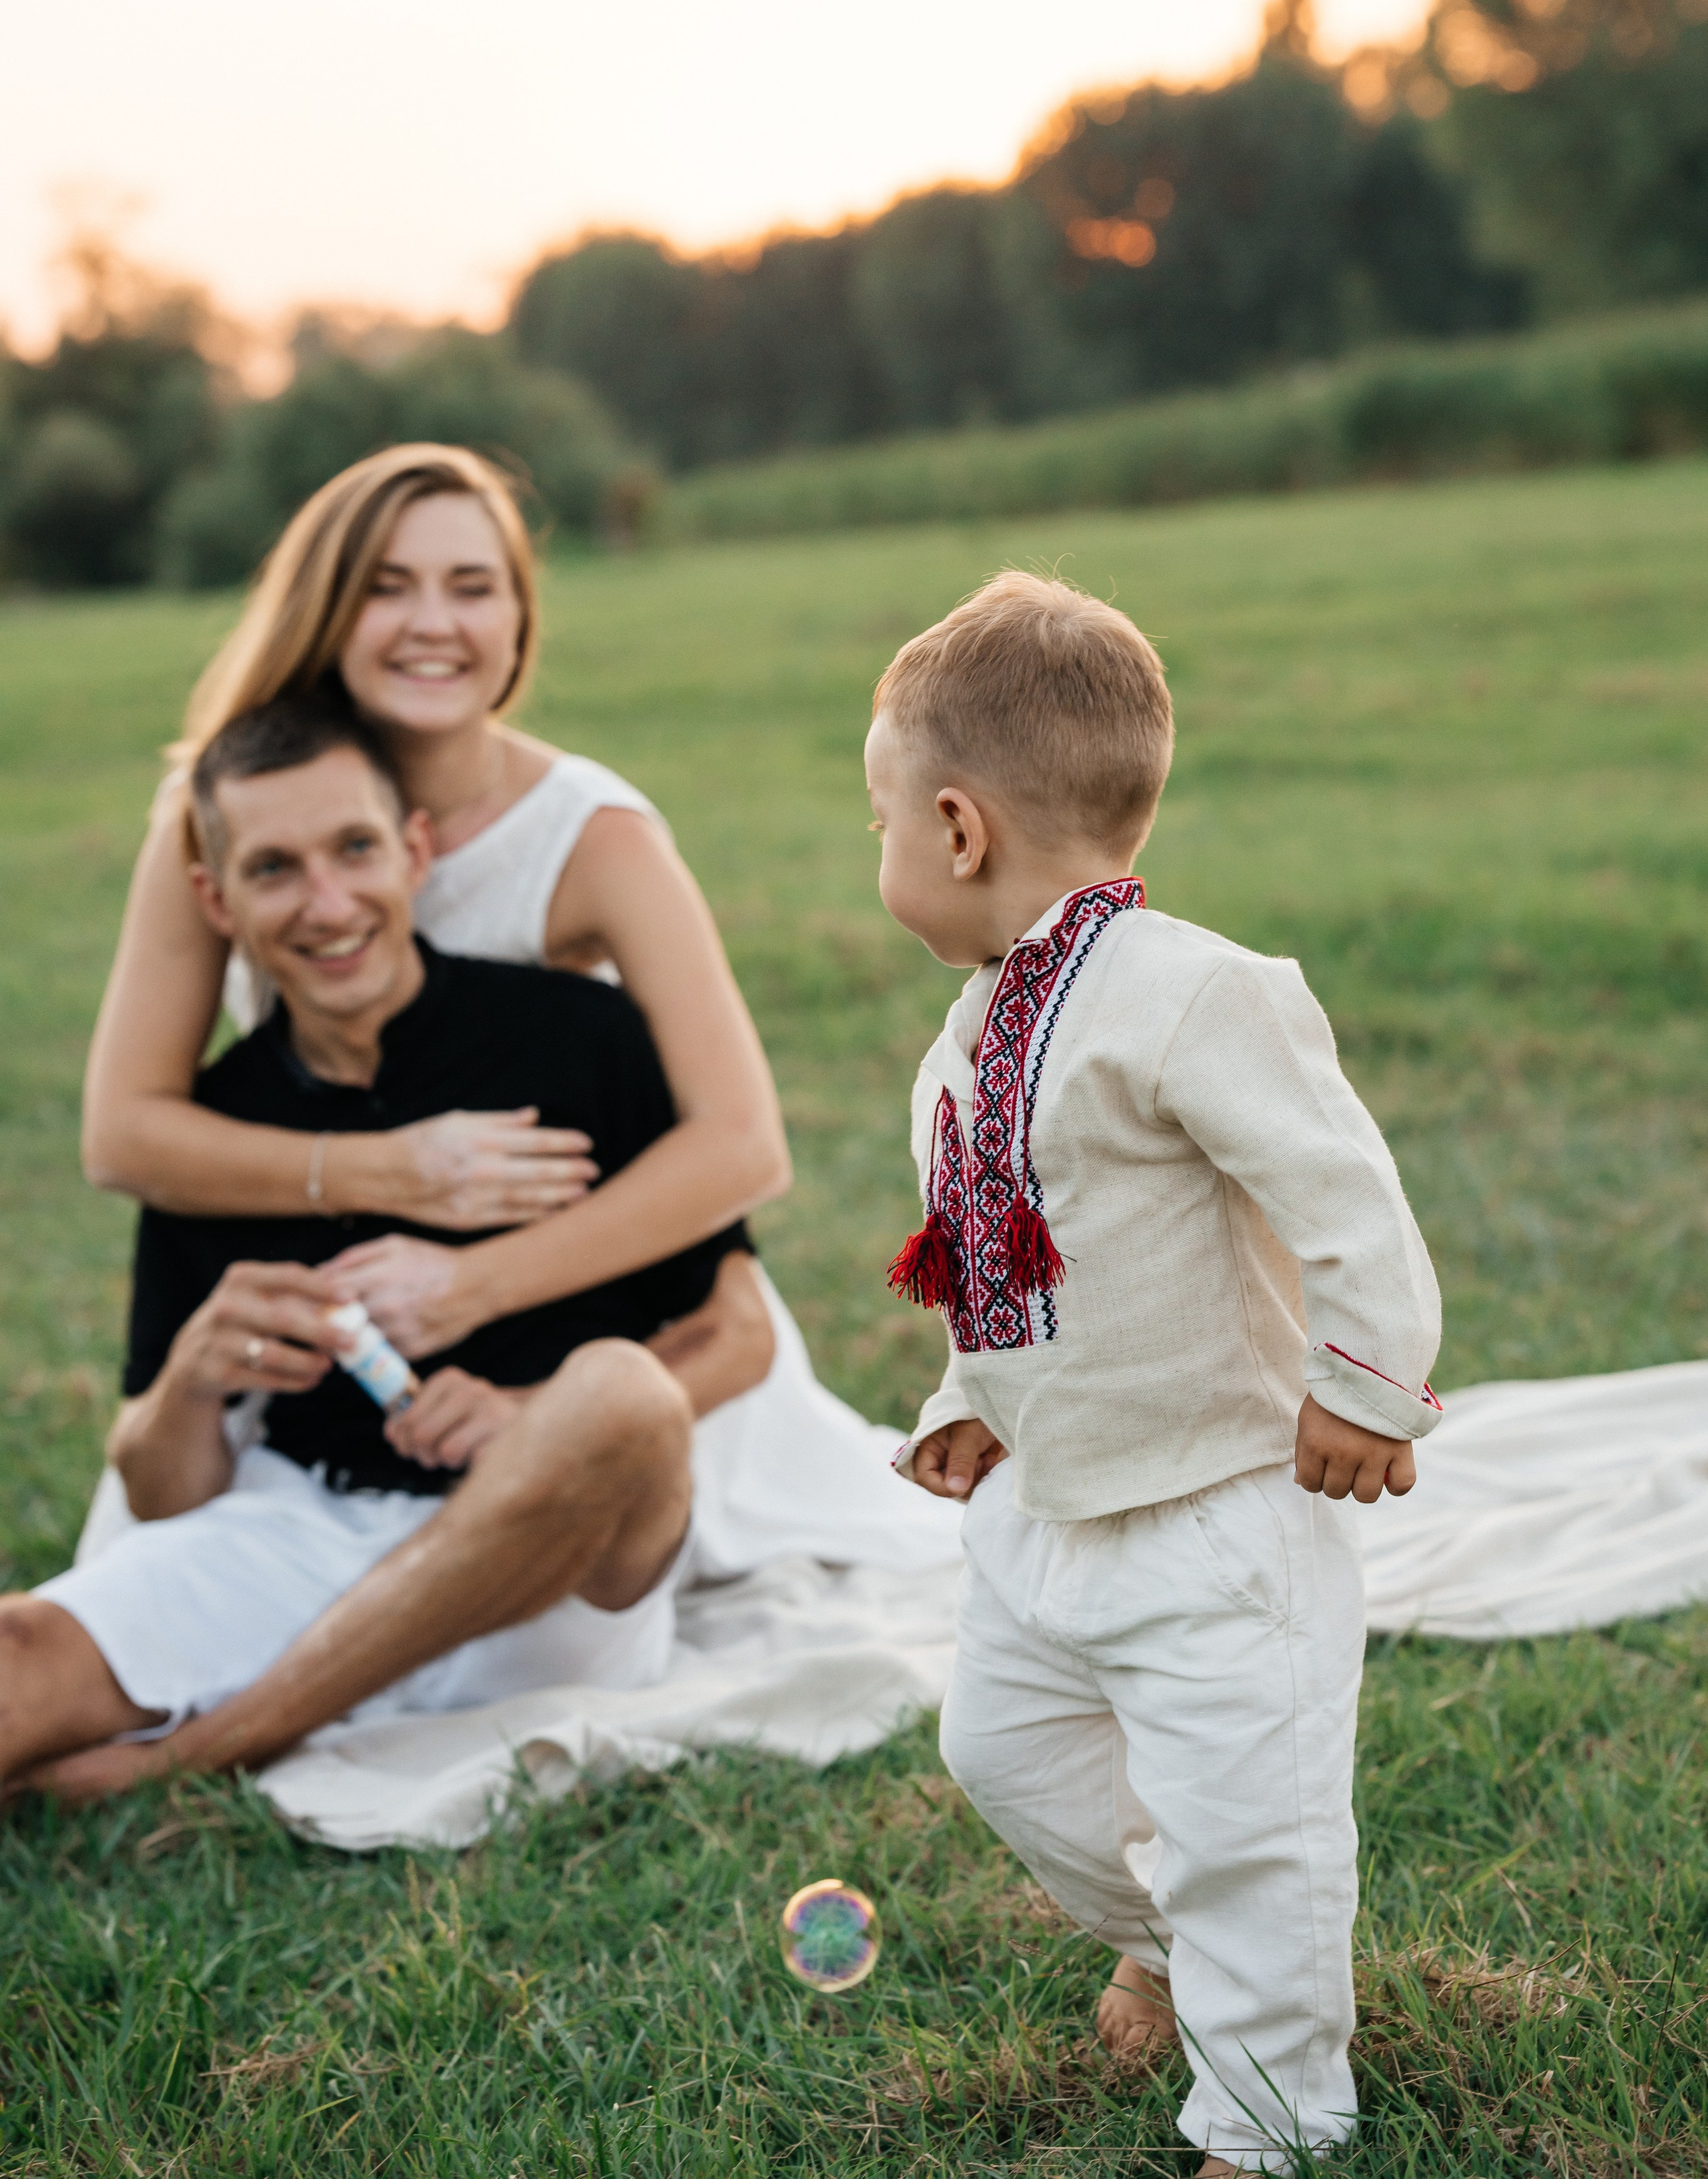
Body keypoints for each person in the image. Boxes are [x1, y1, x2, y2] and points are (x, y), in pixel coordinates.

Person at [77, 440, 951, 1584]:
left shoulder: (595, 836)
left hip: (588, 1327)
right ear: (324, 609)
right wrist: (392, 1172)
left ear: (518, 624)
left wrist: (468, 1286)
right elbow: (124, 1134)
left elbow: (741, 1147)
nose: (430, 620)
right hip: (342, 1354)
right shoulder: (218, 816)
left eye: (471, 586)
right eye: (386, 586)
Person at [867, 574, 1442, 2178]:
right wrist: (965, 1405)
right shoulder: (973, 1032)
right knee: (1001, 1752)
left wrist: (1364, 1384)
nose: (884, 858)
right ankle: (1171, 1938)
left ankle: (1266, 2122)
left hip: (1215, 1512)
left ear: (959, 826)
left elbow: (1346, 1196)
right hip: (1051, 1517)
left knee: (1242, 1831)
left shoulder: (1193, 992)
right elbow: (1011, 1264)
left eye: (883, 824)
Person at [3, 696, 775, 1800]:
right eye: (274, 869)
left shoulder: (579, 1036)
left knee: (620, 1395)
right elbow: (168, 1500)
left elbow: (738, 1331)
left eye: (355, 848)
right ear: (217, 901)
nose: (328, 904)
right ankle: (274, 1711)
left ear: (414, 851)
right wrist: (186, 1383)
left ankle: (197, 1757)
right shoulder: (219, 1123)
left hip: (547, 1580)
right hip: (303, 1529)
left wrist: (529, 1418)